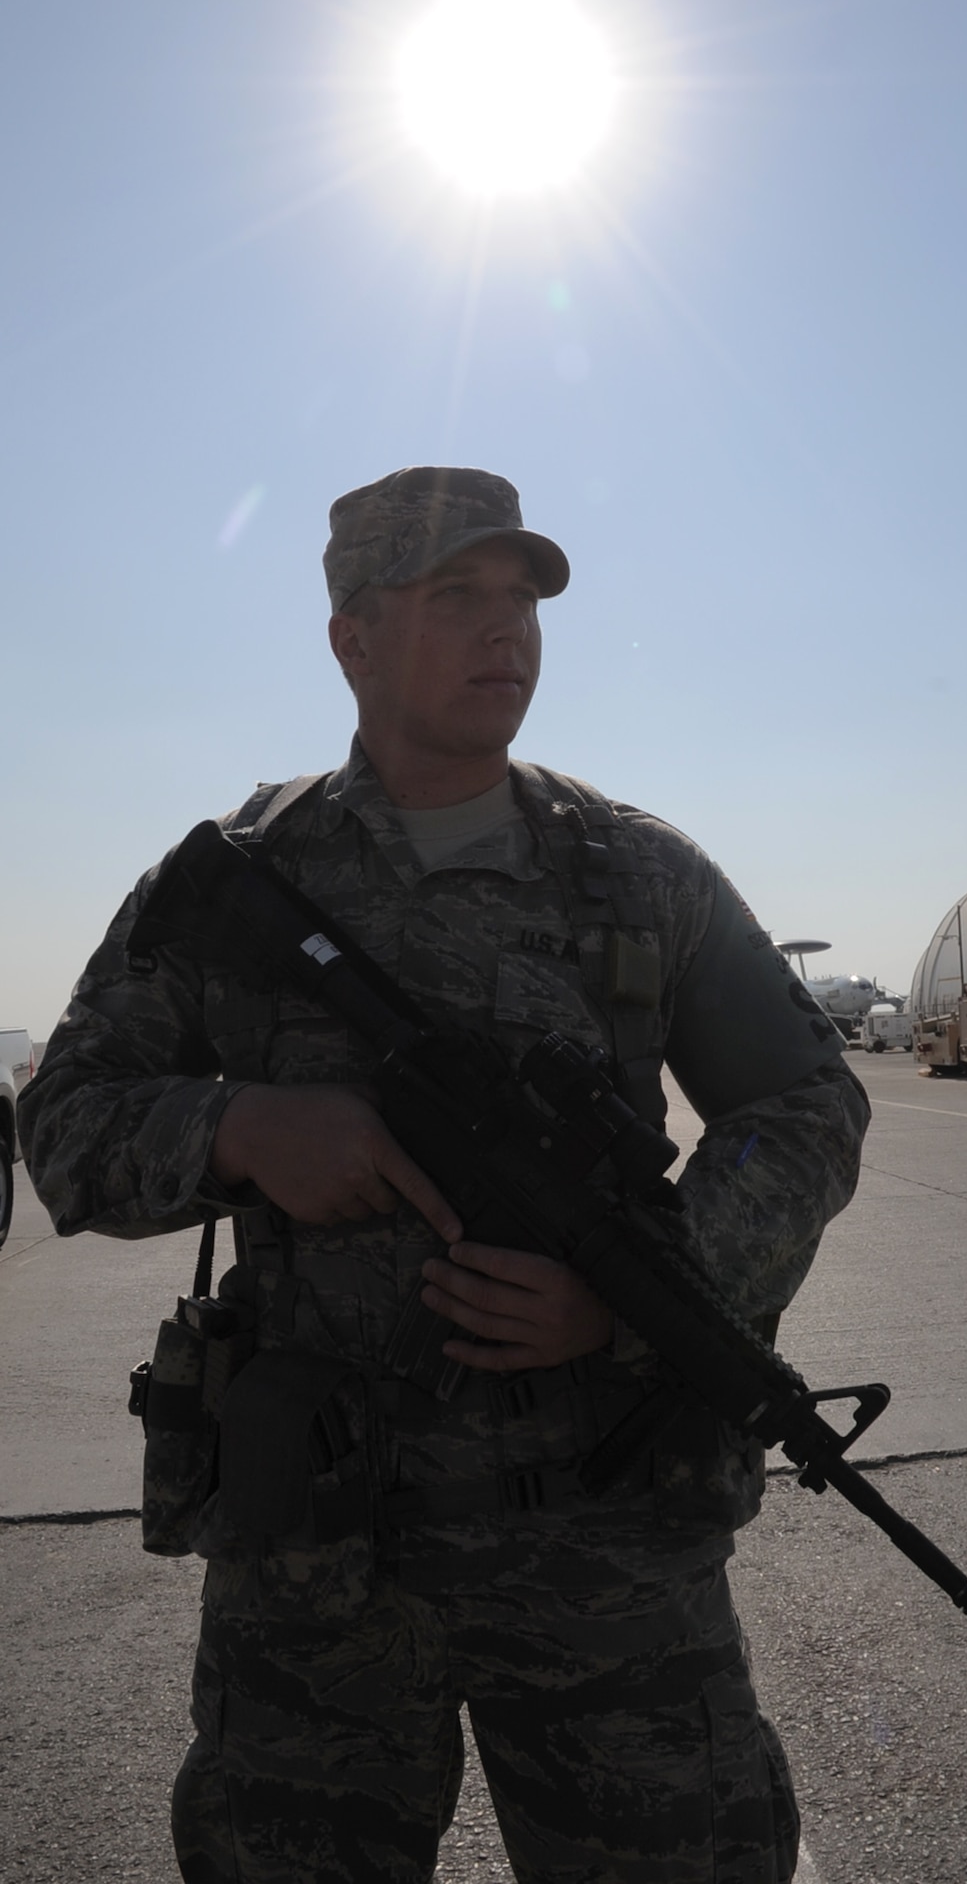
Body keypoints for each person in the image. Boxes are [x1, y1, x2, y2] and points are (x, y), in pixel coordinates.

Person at [19, 465, 869, 1884]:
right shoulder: (245, 876)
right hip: (320, 1562)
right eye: (456, 595)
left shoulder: (639, 874)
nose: (508, 631)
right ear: (352, 638)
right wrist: (243, 1129)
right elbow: (64, 1126)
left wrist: (645, 1294)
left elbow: (806, 1105)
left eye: (525, 596)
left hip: (608, 1551)